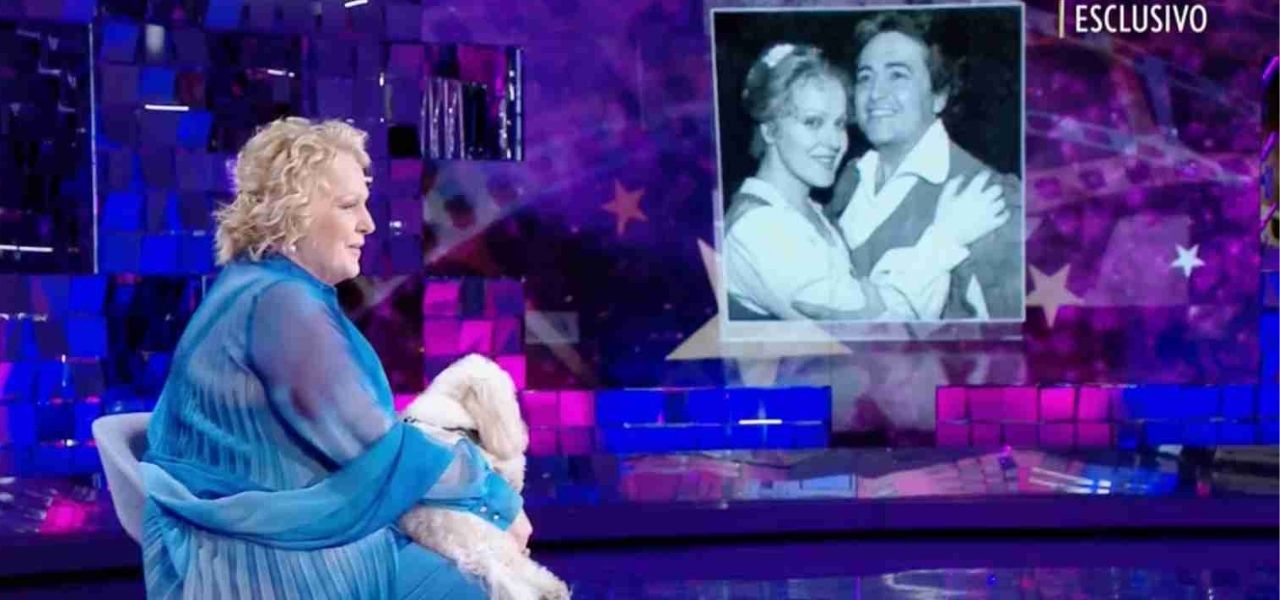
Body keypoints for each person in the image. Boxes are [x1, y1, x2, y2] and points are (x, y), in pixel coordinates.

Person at [139, 117, 531, 599]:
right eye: (348, 206)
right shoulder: (281, 306)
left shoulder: (256, 285)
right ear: (294, 213)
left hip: (250, 543)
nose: (368, 223)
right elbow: (379, 451)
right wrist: (496, 499)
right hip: (262, 566)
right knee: (495, 584)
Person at [724, 43, 1004, 321]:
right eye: (812, 122)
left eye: (839, 124)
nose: (834, 142)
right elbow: (870, 327)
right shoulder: (758, 228)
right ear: (769, 131)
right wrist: (945, 239)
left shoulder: (814, 212)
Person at [821, 11, 1022, 321]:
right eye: (865, 77)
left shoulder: (989, 196)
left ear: (939, 96)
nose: (875, 93)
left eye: (897, 75)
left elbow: (1005, 337)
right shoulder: (849, 179)